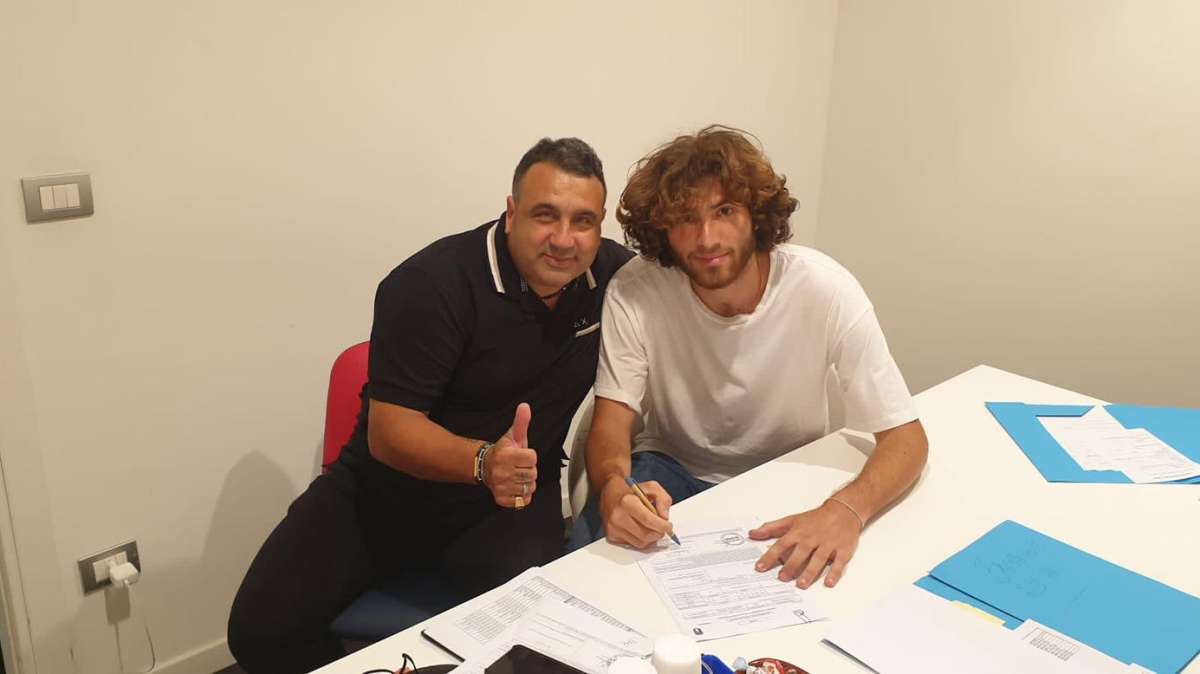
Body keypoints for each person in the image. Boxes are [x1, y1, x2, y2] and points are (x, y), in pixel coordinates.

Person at [228, 137, 633, 674]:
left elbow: (695, 280)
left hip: (508, 503)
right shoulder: (431, 284)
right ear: (511, 212)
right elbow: (390, 431)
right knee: (258, 632)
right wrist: (485, 461)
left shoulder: (615, 278)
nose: (563, 239)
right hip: (382, 493)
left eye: (583, 221)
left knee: (535, 640)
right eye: (545, 215)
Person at [571, 125, 928, 592]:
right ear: (662, 231)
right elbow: (611, 423)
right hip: (671, 469)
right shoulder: (636, 290)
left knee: (822, 590)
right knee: (587, 576)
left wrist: (846, 510)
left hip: (786, 471)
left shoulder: (823, 287)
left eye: (724, 211)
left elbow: (906, 439)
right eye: (685, 219)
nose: (706, 238)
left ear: (756, 216)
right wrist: (615, 487)